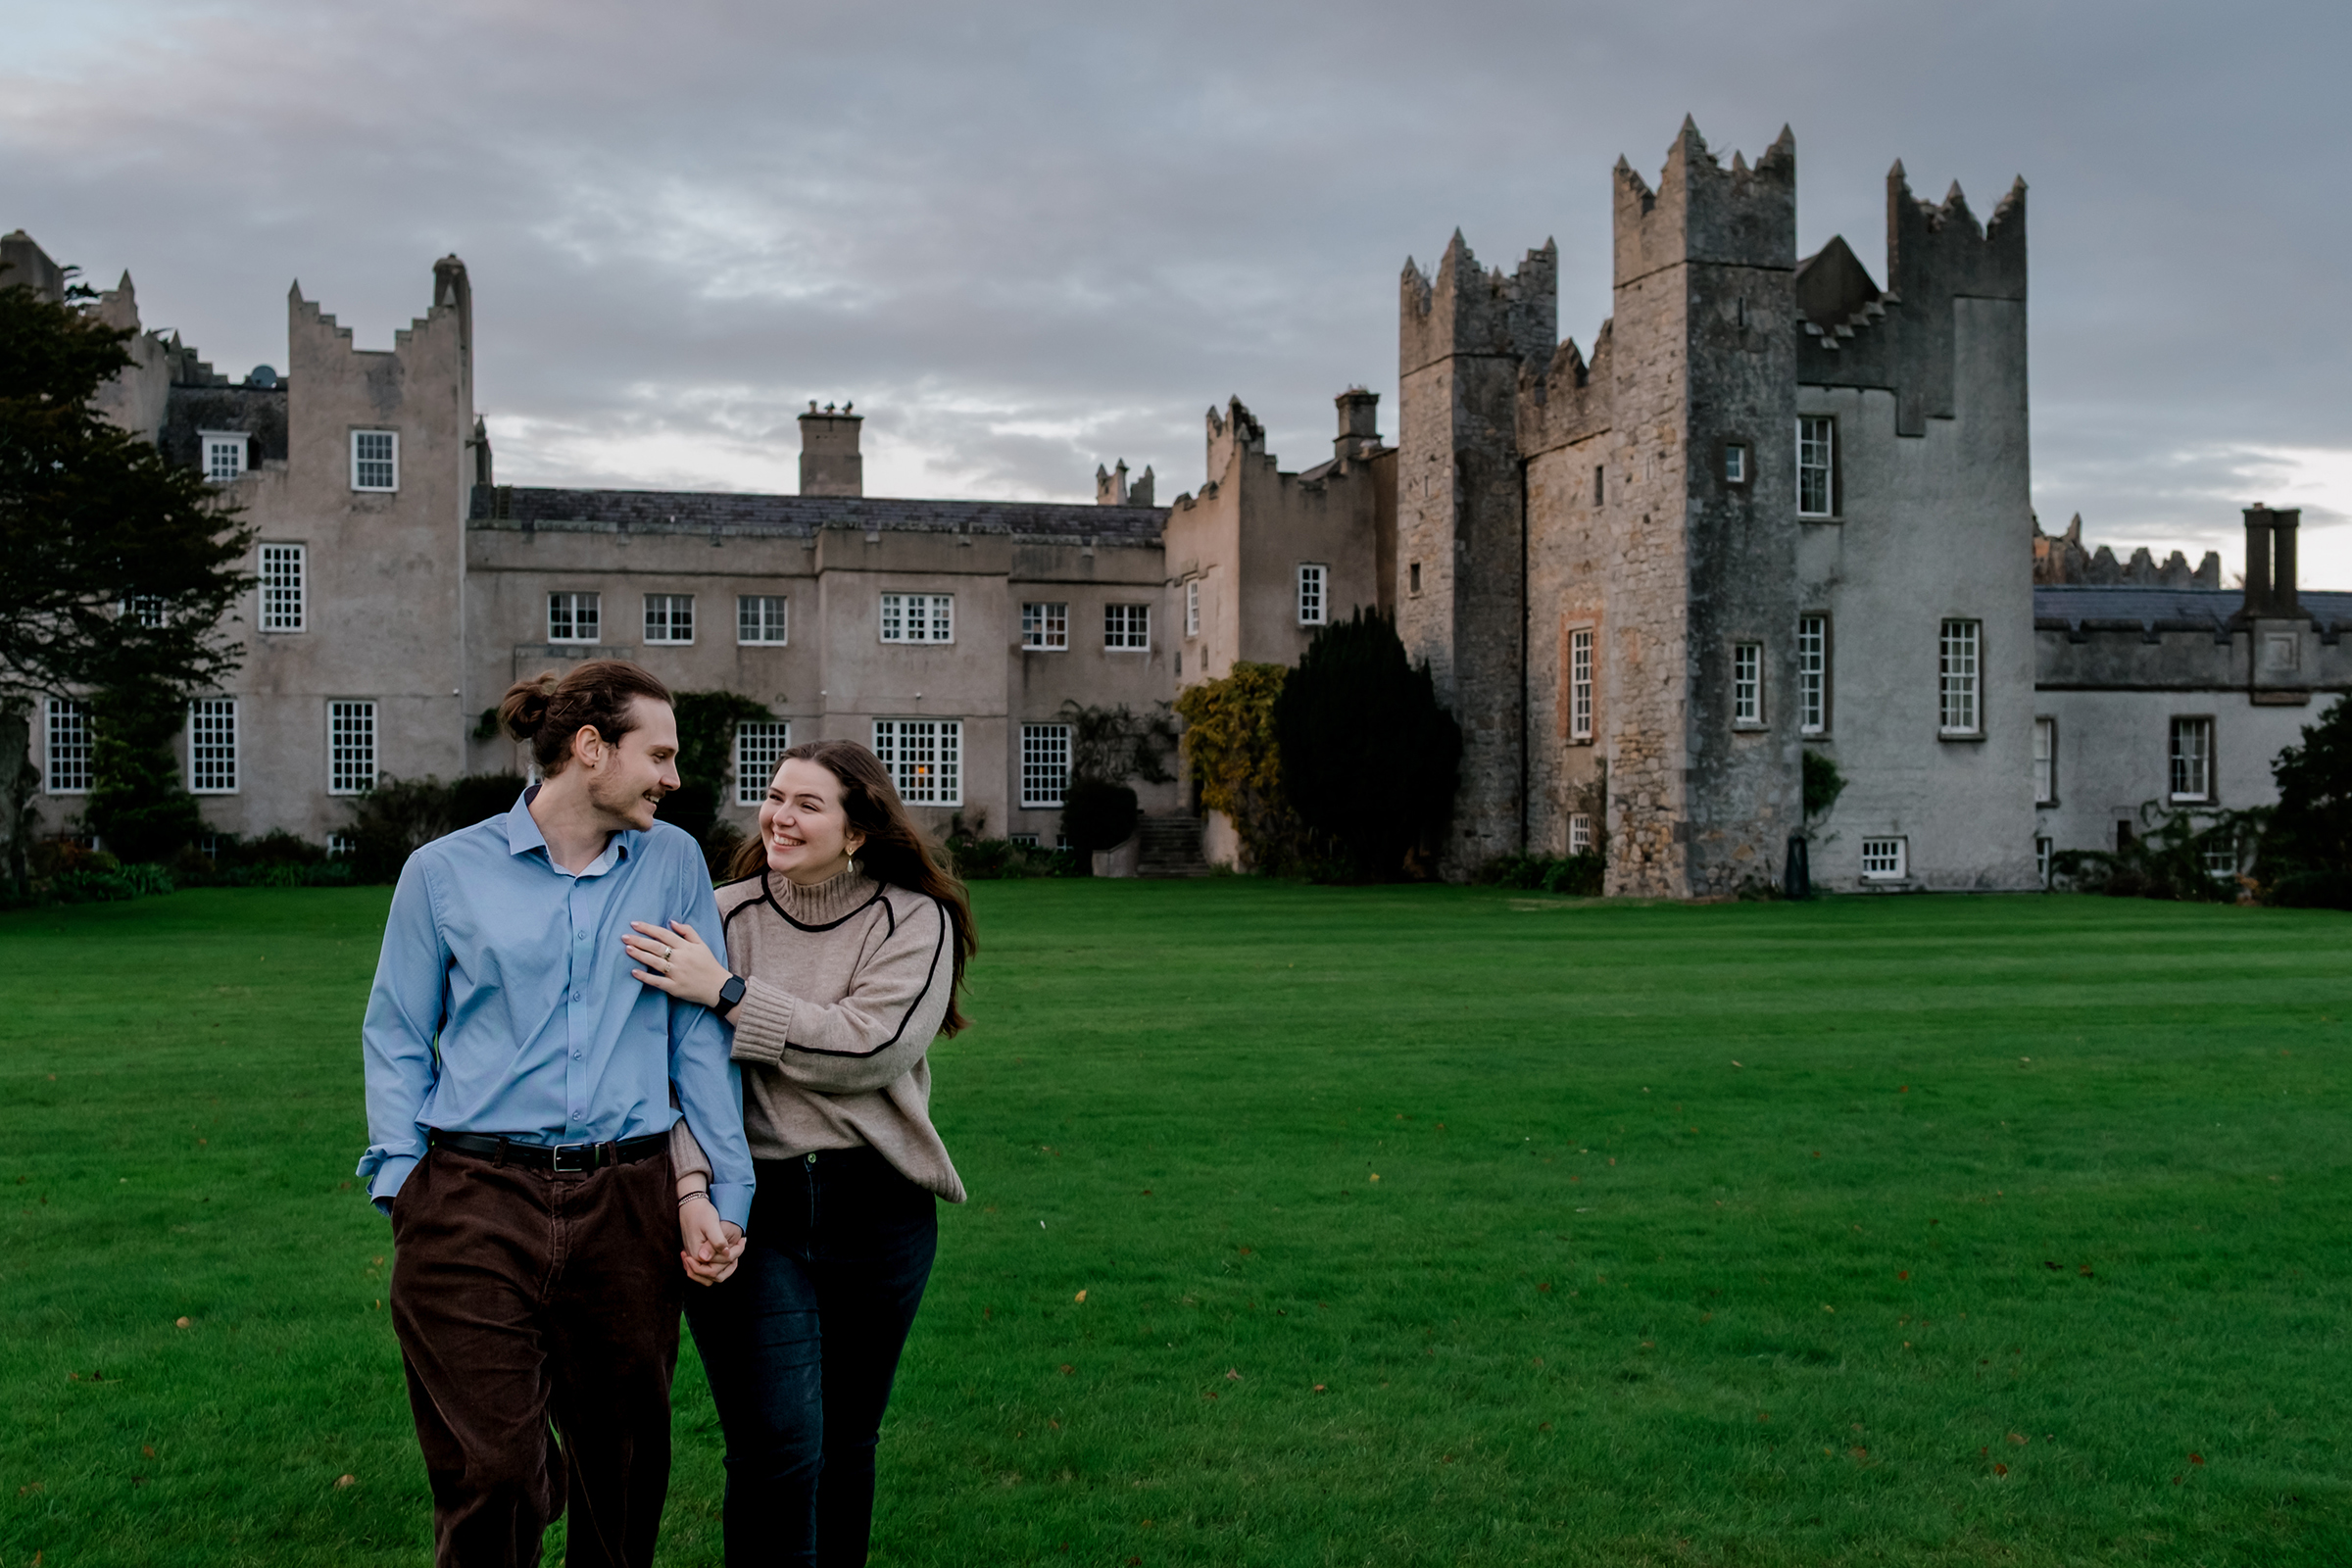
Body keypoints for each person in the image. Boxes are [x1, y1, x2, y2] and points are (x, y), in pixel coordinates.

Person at [357, 660, 757, 1568]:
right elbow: (396, 1031)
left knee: (622, 1478)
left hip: (628, 1203)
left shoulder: (674, 863)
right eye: (659, 754)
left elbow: (694, 1038)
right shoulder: (442, 872)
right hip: (470, 1198)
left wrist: (722, 1191)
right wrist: (401, 1178)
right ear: (589, 749)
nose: (674, 777)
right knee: (496, 1471)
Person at [627, 739, 974, 1568]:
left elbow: (870, 1050)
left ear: (857, 831)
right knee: (779, 1445)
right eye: (776, 795)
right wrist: (693, 1189)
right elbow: (662, 1071)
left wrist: (728, 993)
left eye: (808, 803)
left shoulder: (912, 919)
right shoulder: (719, 916)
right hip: (757, 1207)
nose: (780, 815)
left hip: (879, 1208)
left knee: (848, 1441)